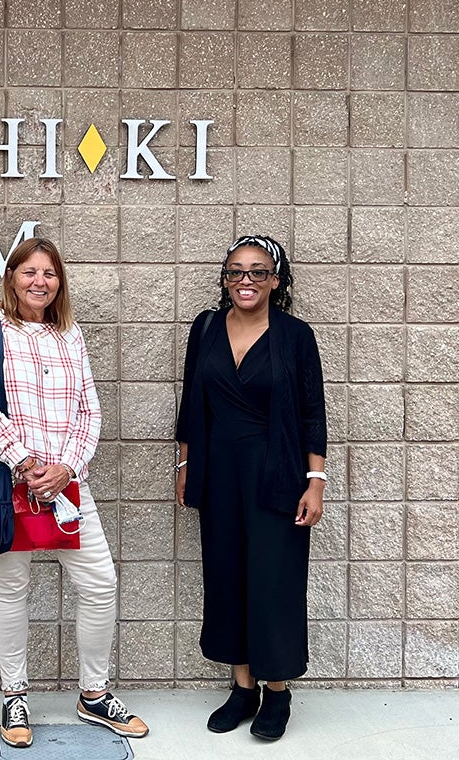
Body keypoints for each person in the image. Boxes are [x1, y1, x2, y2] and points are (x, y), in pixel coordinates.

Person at [0, 237, 149, 748]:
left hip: (67, 487)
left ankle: (93, 693)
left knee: (100, 582)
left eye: (49, 273)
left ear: (59, 281)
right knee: (11, 586)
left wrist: (67, 467)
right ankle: (14, 694)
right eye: (29, 272)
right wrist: (25, 464)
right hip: (9, 483)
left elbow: (90, 411)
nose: (39, 282)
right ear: (12, 277)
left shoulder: (70, 334)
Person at [175, 235, 326, 742]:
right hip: (218, 472)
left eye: (258, 271)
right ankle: (243, 688)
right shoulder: (206, 328)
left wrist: (316, 483)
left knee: (273, 582)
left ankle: (277, 691)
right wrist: (186, 463)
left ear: (275, 281)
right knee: (227, 577)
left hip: (277, 474)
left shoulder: (295, 336)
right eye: (236, 270)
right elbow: (192, 400)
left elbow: (312, 413)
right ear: (224, 278)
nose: (246, 279)